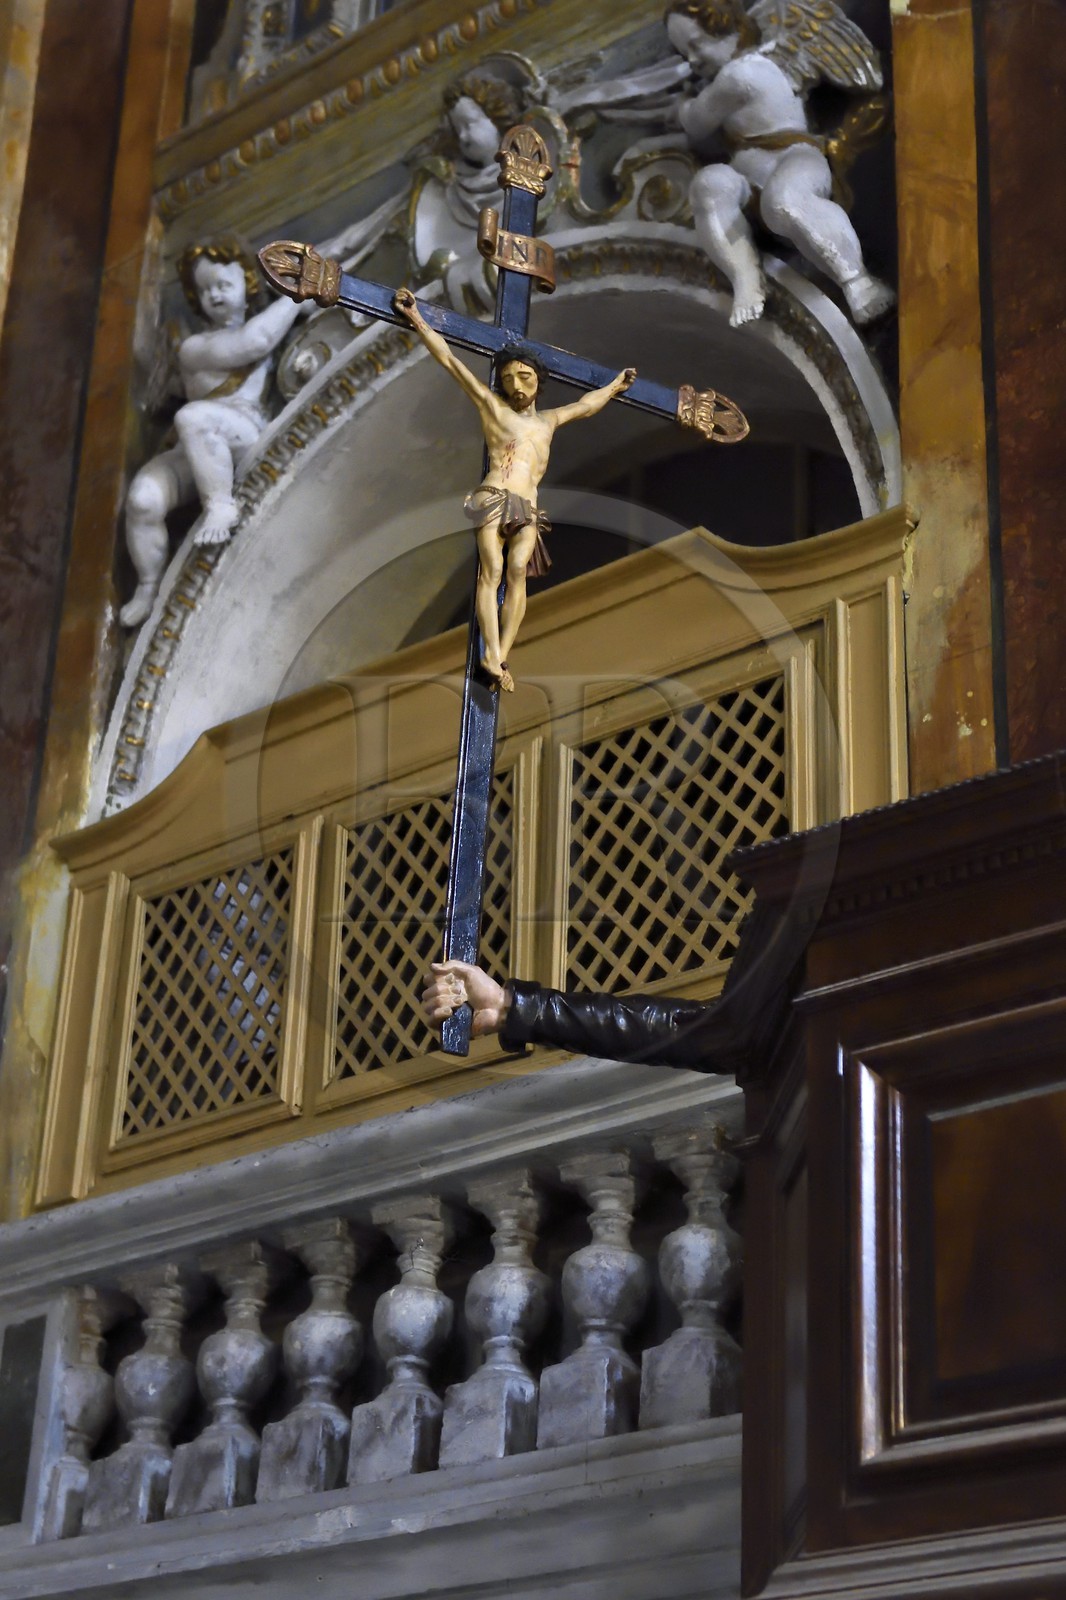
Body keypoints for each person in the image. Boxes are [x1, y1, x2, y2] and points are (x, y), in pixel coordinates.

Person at [393, 285, 636, 691]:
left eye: (524, 377)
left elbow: (585, 405)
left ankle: (501, 654)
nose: (516, 386)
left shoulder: (549, 421)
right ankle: (488, 650)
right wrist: (417, 319)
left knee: (519, 569)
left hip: (528, 506)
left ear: (539, 382)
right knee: (493, 570)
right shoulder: (494, 409)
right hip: (494, 495)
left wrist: (613, 388)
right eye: (508, 379)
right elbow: (452, 363)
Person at [120, 240, 313, 628]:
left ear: (247, 283)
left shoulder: (258, 323)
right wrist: (296, 299)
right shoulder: (194, 347)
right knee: (142, 499)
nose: (214, 295)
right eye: (205, 290)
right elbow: (252, 343)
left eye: (223, 284)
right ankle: (147, 585)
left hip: (244, 429)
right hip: (201, 442)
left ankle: (220, 505)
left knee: (193, 418)